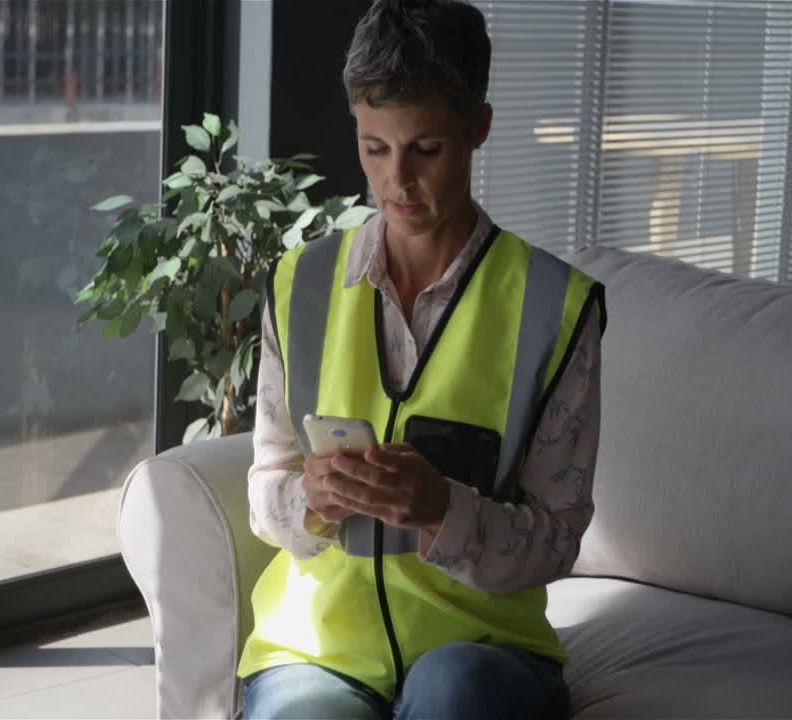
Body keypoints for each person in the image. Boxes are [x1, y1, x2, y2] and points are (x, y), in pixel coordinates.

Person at [236, 1, 607, 718]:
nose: (396, 181)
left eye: (425, 150)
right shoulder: (299, 285)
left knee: (452, 695)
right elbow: (265, 491)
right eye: (374, 148)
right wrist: (307, 501)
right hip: (317, 650)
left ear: (478, 129)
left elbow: (558, 539)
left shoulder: (559, 310)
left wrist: (444, 510)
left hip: (484, 651)